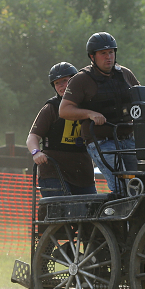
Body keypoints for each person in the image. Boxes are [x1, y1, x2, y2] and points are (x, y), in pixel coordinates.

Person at [59, 32, 140, 194]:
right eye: (103, 53)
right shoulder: (81, 79)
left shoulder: (125, 74)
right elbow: (64, 110)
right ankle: (119, 218)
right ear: (92, 56)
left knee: (140, 184)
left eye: (111, 52)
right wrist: (89, 114)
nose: (108, 57)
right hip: (102, 142)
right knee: (122, 187)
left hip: (128, 139)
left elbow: (141, 99)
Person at [26, 62, 97, 197]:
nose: (62, 86)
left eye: (66, 80)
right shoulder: (51, 108)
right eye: (58, 83)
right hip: (53, 171)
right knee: (62, 210)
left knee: (90, 213)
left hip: (83, 173)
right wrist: (36, 152)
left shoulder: (89, 105)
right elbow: (33, 137)